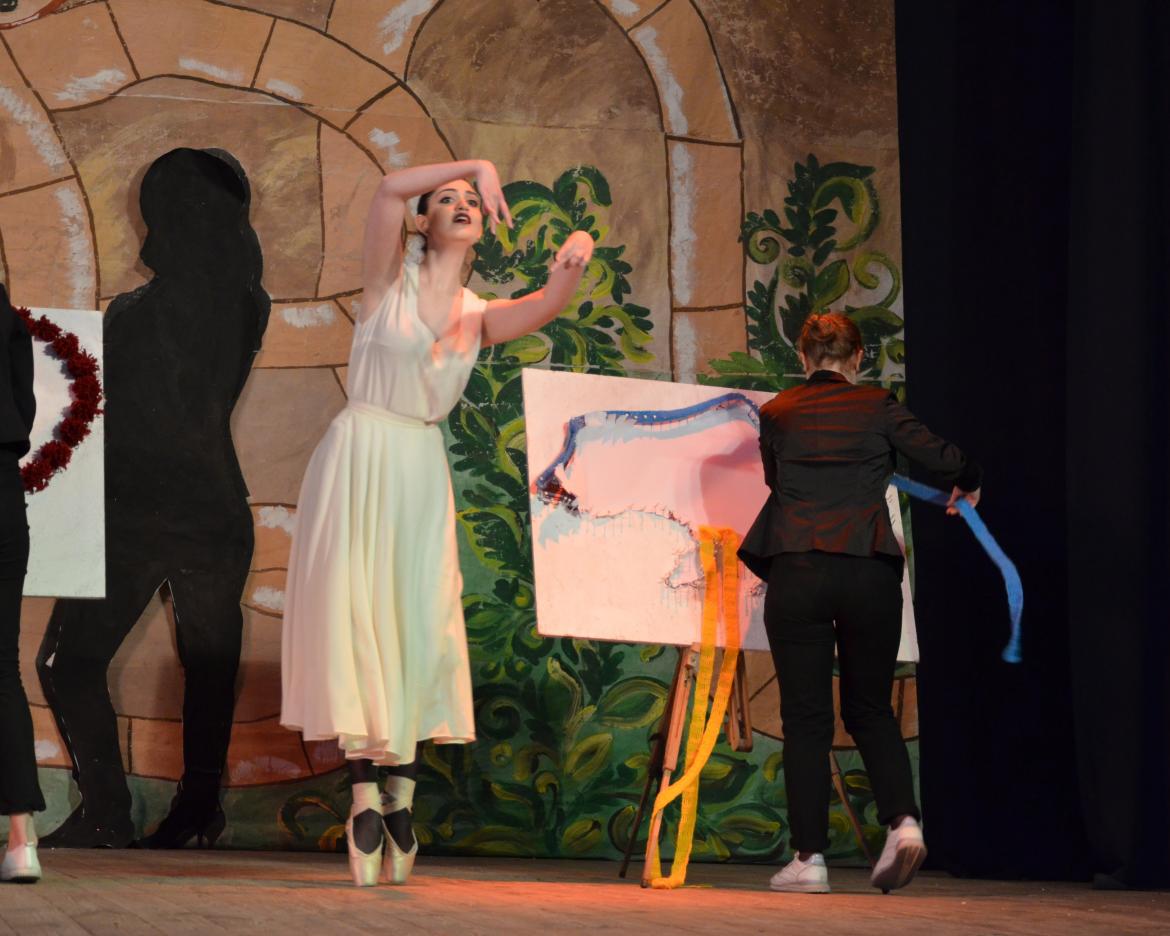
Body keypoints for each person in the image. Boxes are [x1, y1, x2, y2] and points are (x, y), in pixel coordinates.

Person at [280, 159, 593, 887]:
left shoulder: (477, 313)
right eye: (446, 199)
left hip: (419, 466)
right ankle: (363, 798)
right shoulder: (384, 284)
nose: (461, 204)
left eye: (470, 200)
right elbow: (389, 187)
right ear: (422, 222)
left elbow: (548, 301)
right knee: (357, 618)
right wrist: (477, 166)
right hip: (360, 455)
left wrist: (577, 253)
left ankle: (402, 799)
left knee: (419, 622)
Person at [38, 148, 270, 849]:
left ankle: (106, 809)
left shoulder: (138, 312)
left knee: (68, 663)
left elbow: (108, 413)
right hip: (216, 509)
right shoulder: (248, 303)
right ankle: (197, 809)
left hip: (140, 513)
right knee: (208, 668)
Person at [738, 312, 982, 895]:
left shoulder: (776, 412)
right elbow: (946, 458)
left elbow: (775, 481)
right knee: (869, 707)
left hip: (798, 568)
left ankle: (809, 860)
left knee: (806, 719)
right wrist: (968, 482)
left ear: (803, 357)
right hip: (868, 569)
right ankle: (904, 823)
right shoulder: (878, 406)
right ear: (858, 357)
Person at [0, 283, 44, 883]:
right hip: (2, 495)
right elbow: (23, 409)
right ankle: (20, 839)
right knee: (2, 669)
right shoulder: (5, 315)